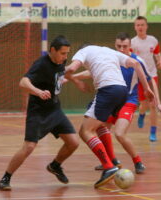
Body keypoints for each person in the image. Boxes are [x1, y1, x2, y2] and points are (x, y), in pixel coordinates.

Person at [65, 44, 155, 188]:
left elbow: (71, 68)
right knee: (100, 125)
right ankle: (112, 160)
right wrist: (147, 89)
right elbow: (136, 64)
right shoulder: (107, 51)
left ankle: (108, 166)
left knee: (85, 131)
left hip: (108, 90)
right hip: (122, 92)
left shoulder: (84, 51)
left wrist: (59, 72)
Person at [0, 36, 79, 191]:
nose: (65, 57)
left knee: (73, 142)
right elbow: (23, 82)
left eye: (67, 53)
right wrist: (38, 91)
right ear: (53, 50)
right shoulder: (41, 64)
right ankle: (6, 177)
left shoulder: (61, 62)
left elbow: (60, 76)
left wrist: (75, 80)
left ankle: (55, 165)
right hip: (38, 112)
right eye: (63, 53)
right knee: (29, 147)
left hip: (55, 110)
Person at [131, 16, 161, 142]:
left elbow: (158, 55)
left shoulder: (153, 40)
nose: (140, 27)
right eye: (138, 25)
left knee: (153, 104)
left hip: (152, 75)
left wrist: (160, 60)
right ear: (135, 27)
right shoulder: (132, 43)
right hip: (139, 77)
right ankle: (141, 114)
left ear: (146, 26)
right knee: (144, 104)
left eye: (142, 24)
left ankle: (153, 132)